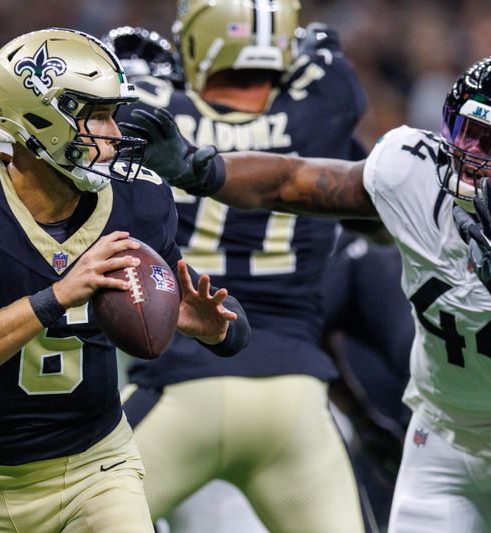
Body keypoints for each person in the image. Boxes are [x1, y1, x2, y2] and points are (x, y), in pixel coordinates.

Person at [125, 52, 491, 532]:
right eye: (467, 132)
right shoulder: (413, 171)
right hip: (446, 432)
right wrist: (199, 168)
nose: (470, 156)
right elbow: (292, 181)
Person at [0, 27, 250, 532]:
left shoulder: (137, 201)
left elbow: (236, 327)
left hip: (97, 467)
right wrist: (58, 295)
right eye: (99, 116)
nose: (114, 134)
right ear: (40, 117)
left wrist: (212, 326)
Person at [111, 2, 376, 531]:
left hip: (182, 384)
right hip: (294, 396)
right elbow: (371, 214)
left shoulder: (150, 113)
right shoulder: (323, 107)